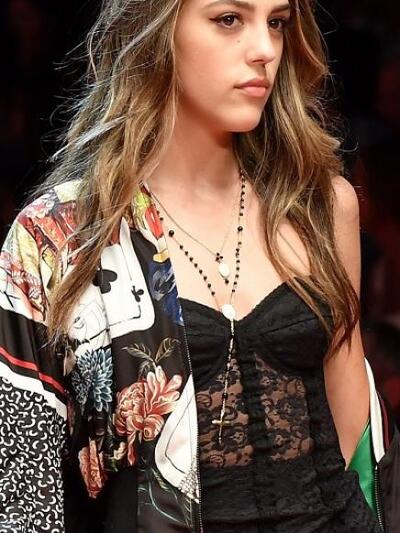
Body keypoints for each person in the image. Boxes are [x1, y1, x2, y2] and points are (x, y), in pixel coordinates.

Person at [0, 0, 387, 532]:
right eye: (229, 19)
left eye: (276, 23)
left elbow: (357, 440)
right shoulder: (59, 236)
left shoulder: (320, 206)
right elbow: (24, 494)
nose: (264, 50)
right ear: (155, 29)